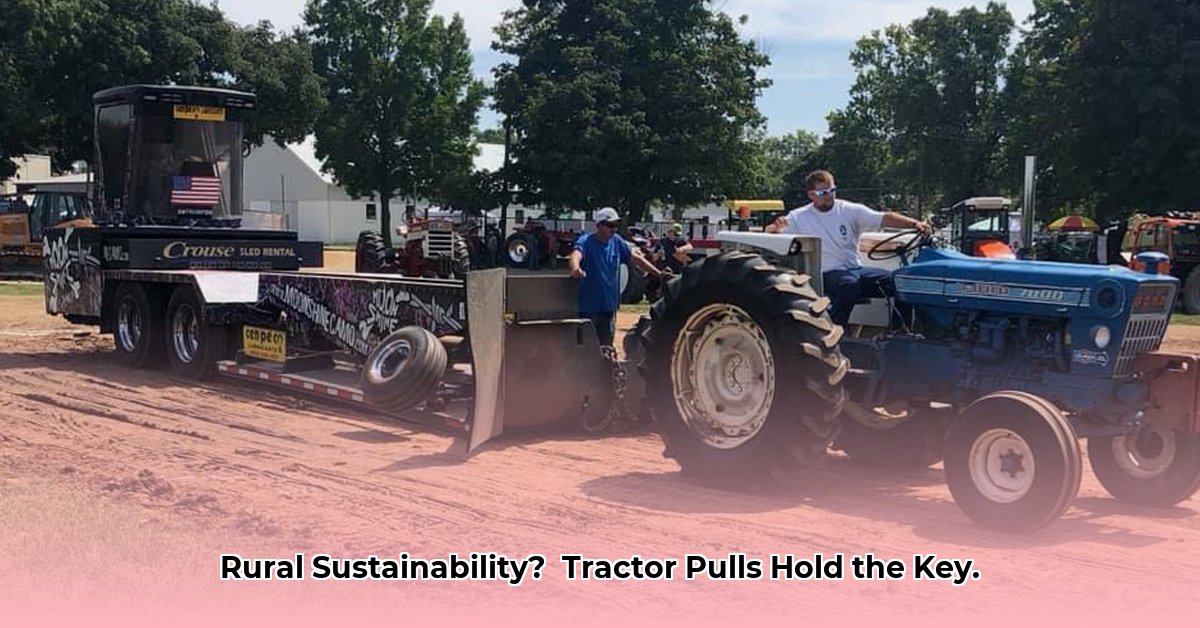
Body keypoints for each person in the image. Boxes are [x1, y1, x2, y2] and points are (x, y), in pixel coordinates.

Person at [767, 170, 931, 327]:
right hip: (826, 274)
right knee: (849, 285)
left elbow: (883, 218)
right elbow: (773, 233)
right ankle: (835, 331)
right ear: (811, 195)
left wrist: (915, 224)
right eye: (823, 193)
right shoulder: (798, 217)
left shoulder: (849, 210)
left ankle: (900, 332)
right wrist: (772, 229)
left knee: (901, 282)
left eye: (832, 190)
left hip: (854, 269)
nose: (829, 196)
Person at [568, 207, 666, 346]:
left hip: (609, 307)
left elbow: (635, 258)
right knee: (586, 348)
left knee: (607, 347)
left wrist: (658, 273)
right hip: (589, 308)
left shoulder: (617, 241)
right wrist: (575, 269)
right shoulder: (587, 241)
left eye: (616, 225)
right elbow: (576, 255)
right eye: (610, 225)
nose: (613, 229)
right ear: (599, 225)